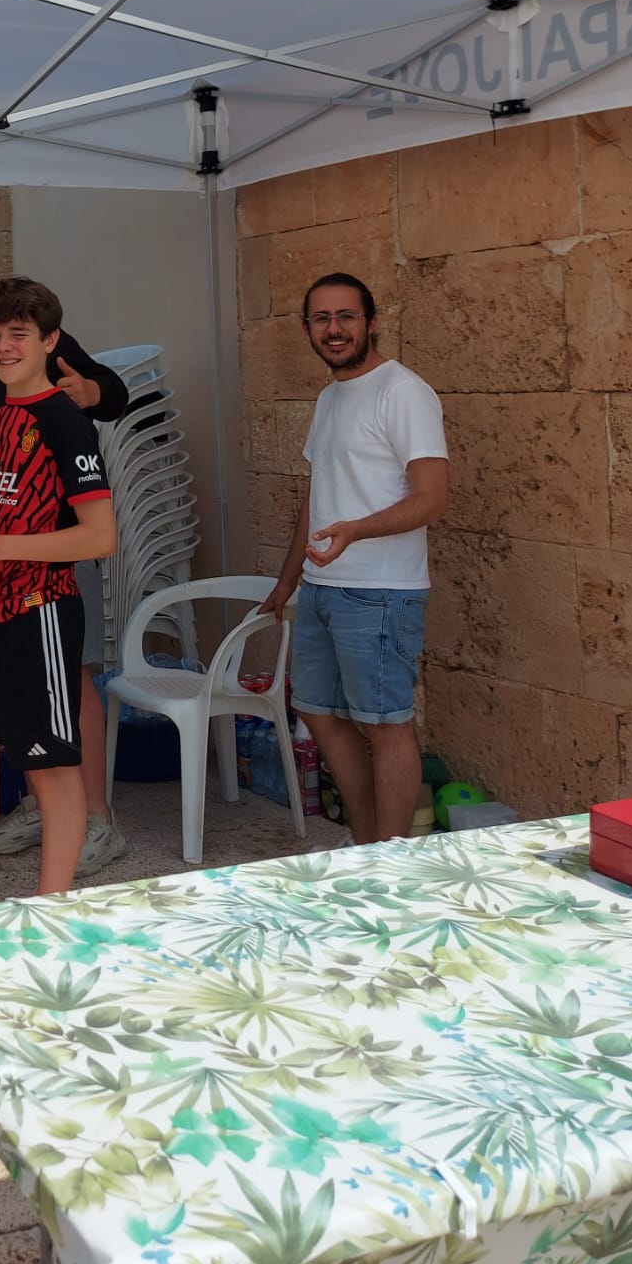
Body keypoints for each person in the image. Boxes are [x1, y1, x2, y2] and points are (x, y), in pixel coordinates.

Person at [0, 255, 130, 875]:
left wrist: (88, 395)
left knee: (61, 724)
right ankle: (14, 837)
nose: (4, 346)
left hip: (46, 582)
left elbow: (100, 532)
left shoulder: (52, 389)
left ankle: (80, 856)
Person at [261, 273, 448, 845]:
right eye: (322, 319)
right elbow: (317, 497)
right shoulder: (330, 397)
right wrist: (286, 582)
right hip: (322, 586)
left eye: (346, 316)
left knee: (385, 725)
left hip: (382, 591)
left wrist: (357, 531)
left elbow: (433, 497)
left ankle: (390, 858)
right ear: (307, 329)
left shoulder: (403, 391)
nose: (334, 329)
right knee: (317, 711)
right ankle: (366, 843)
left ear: (371, 322)